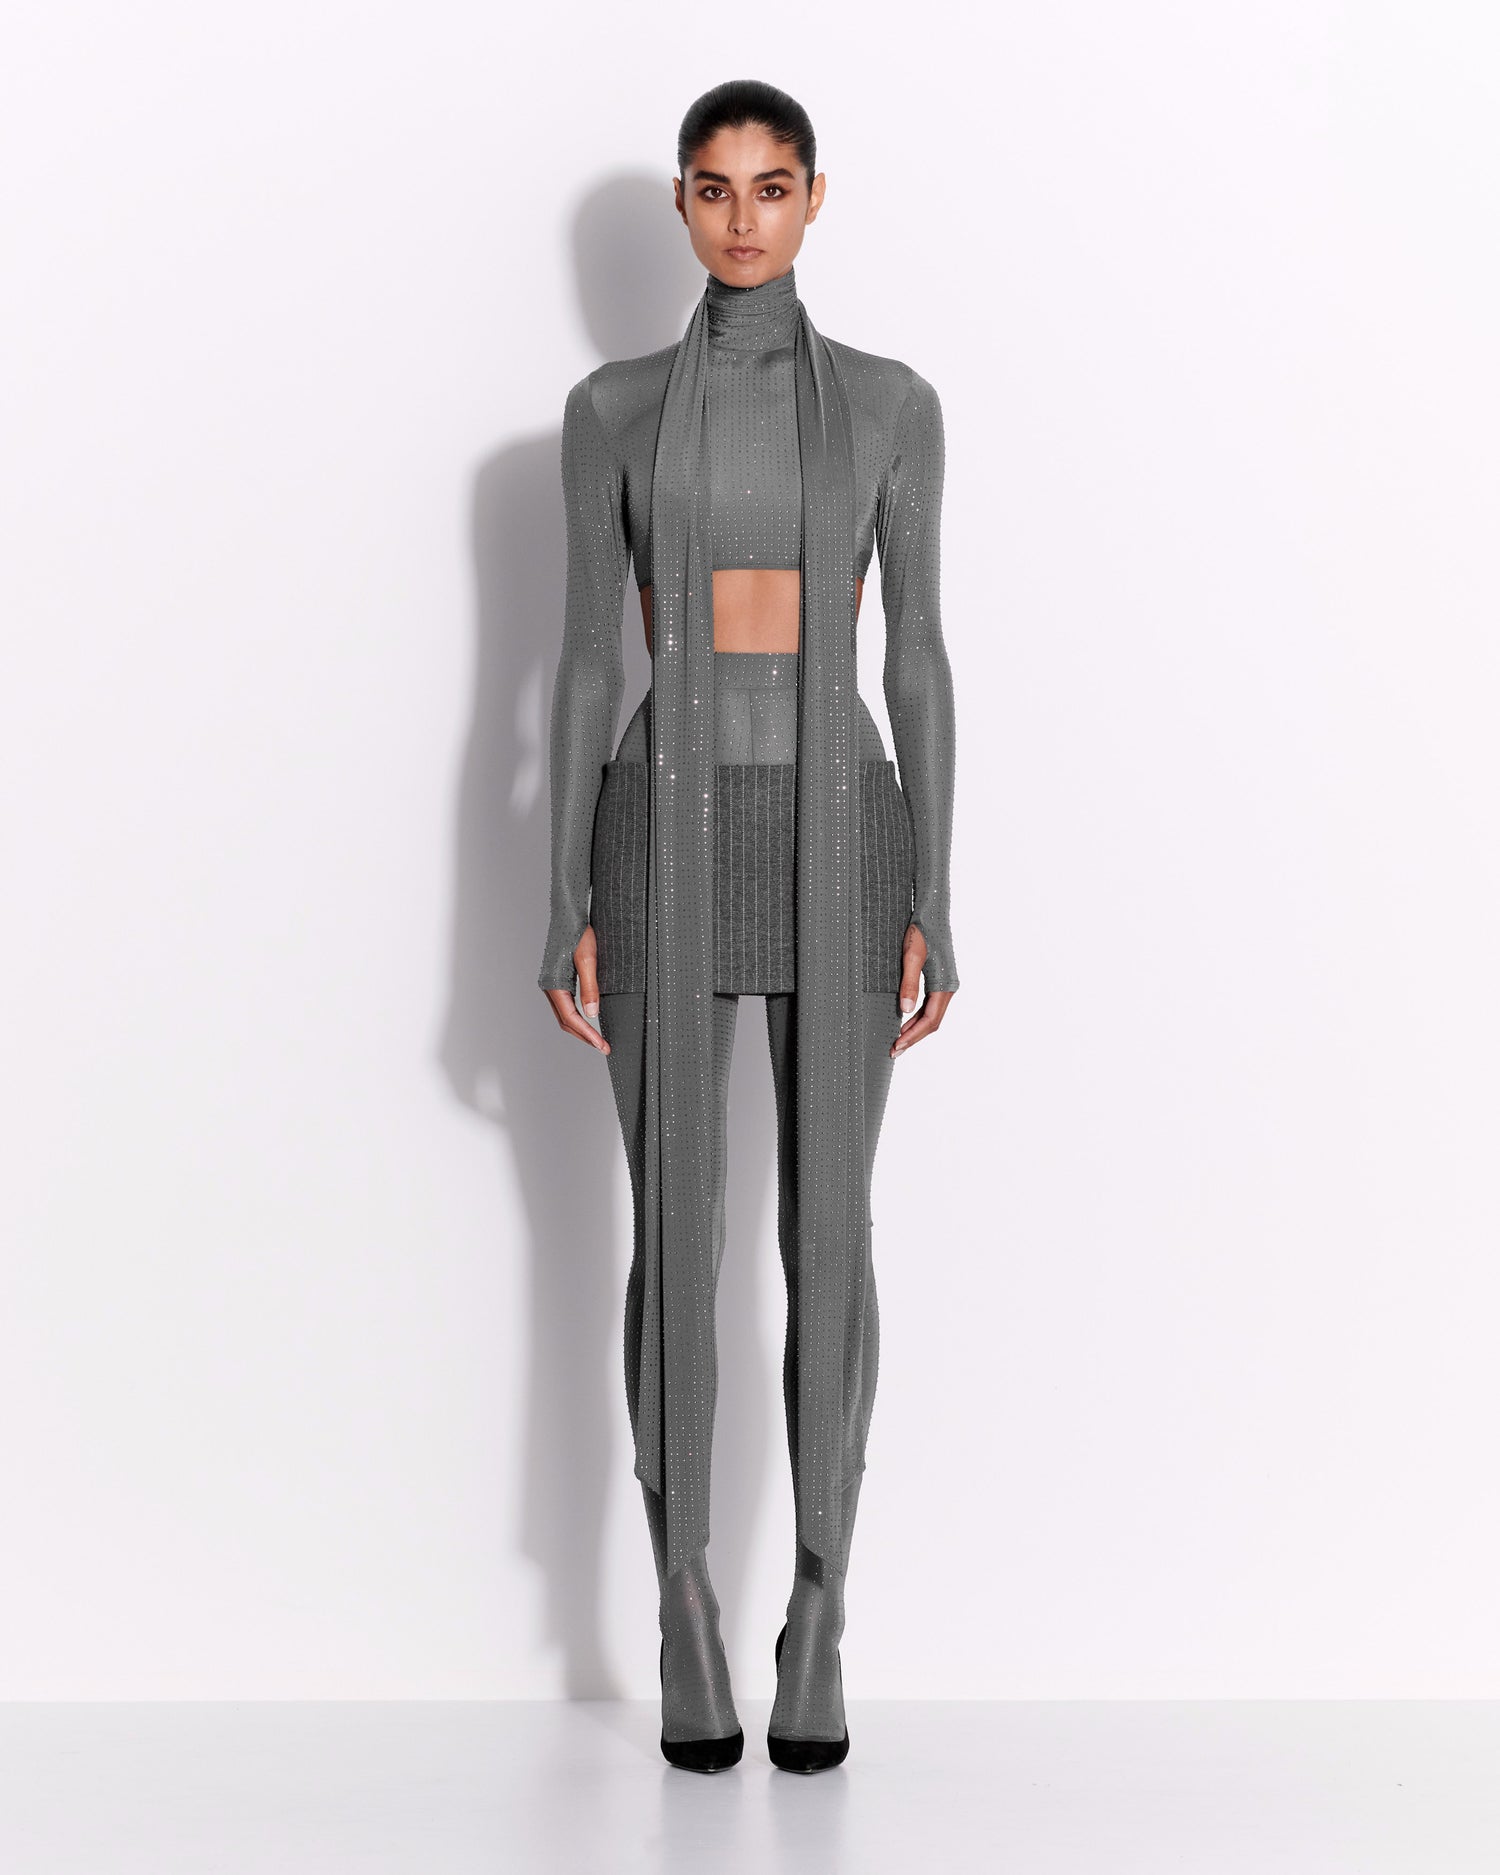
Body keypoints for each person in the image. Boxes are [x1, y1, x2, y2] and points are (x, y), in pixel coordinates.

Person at [538, 78, 959, 1774]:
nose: (741, 218)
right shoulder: (613, 410)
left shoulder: (893, 406)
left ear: (814, 199)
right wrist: (563, 891)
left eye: (771, 187)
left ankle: (823, 1606)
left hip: (844, 831)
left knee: (829, 1241)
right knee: (679, 1241)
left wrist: (936, 889)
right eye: (713, 189)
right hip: (663, 830)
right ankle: (682, 1603)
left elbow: (916, 655)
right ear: (680, 203)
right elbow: (585, 662)